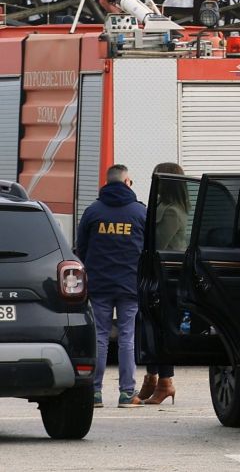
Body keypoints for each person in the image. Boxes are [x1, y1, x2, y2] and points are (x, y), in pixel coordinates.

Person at [75, 164, 147, 409]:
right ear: (127, 182)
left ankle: (94, 393)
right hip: (130, 284)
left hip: (100, 284)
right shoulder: (140, 213)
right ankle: (127, 394)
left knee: (101, 337)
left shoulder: (93, 211)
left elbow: (80, 248)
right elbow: (149, 251)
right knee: (127, 338)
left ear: (107, 183)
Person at [134, 162, 189, 405]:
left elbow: (158, 244)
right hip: (157, 276)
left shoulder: (171, 212)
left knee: (162, 329)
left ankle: (165, 382)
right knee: (150, 327)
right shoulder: (162, 207)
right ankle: (152, 378)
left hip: (167, 277)